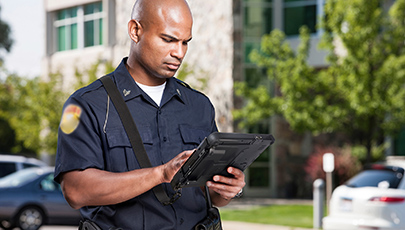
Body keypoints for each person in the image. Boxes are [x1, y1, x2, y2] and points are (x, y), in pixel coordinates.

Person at [54, 0, 246, 229]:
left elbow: (211, 196)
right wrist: (161, 174)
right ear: (135, 31)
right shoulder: (86, 104)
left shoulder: (200, 105)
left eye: (185, 42)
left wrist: (227, 190)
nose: (179, 52)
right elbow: (75, 191)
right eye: (168, 40)